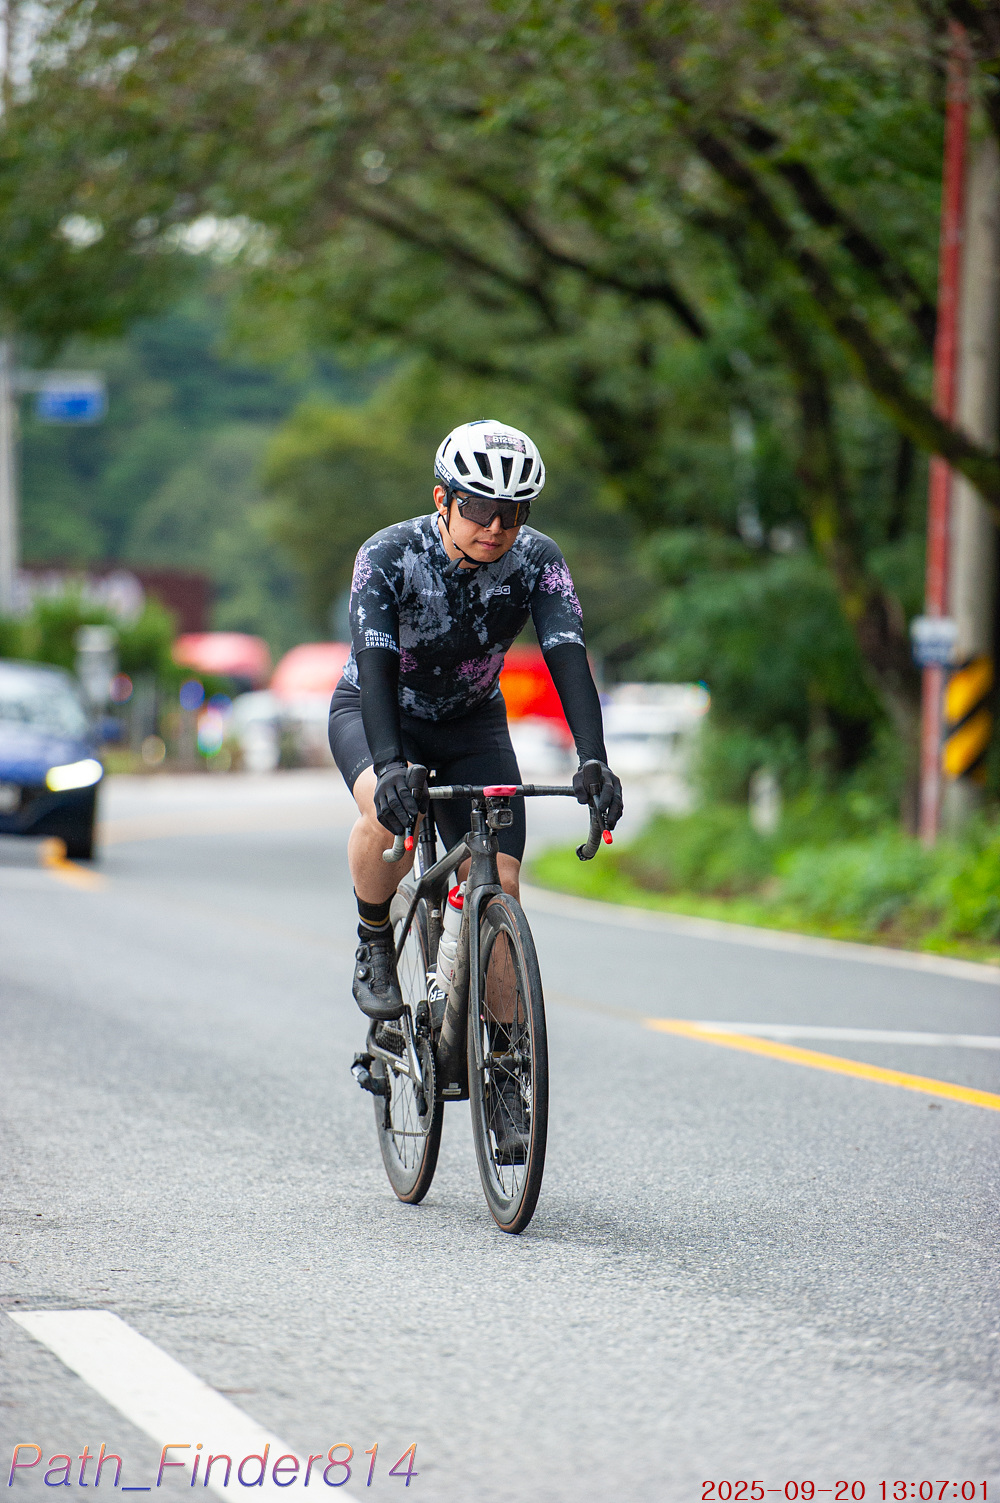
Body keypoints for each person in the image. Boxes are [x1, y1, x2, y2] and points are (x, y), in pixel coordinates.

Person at [329, 418, 623, 1022]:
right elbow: (376, 664)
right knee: (389, 821)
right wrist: (389, 766)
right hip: (381, 712)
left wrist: (593, 759)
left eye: (513, 514)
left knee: (501, 883)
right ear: (443, 499)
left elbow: (567, 655)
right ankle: (374, 940)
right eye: (480, 509)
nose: (495, 528)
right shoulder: (387, 556)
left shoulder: (537, 559)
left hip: (472, 723)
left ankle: (508, 1051)